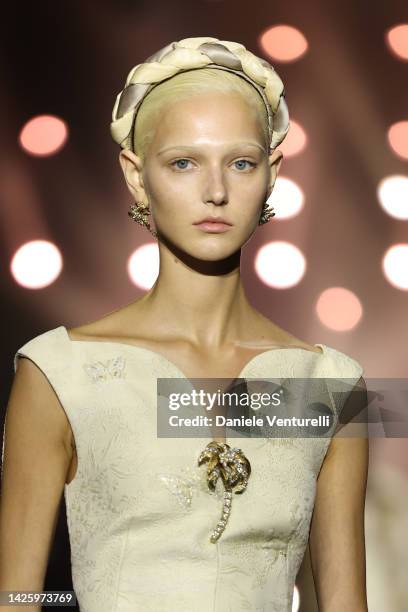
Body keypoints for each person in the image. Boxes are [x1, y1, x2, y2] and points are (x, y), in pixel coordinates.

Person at [0, 36, 369, 611]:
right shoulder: (60, 373)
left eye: (241, 162)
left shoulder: (330, 386)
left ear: (273, 172)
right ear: (136, 174)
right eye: (183, 163)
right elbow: (17, 598)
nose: (216, 191)